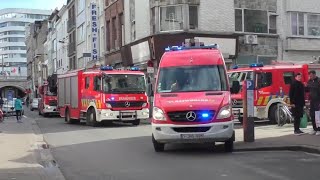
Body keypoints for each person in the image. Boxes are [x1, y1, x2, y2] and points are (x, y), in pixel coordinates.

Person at [306, 70, 320, 135]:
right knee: (312, 115)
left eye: (311, 75)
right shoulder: (309, 81)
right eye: (309, 76)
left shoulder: (319, 81)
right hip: (312, 101)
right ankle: (314, 129)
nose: (310, 77)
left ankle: (319, 129)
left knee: (317, 115)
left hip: (318, 101)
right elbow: (307, 90)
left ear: (314, 75)